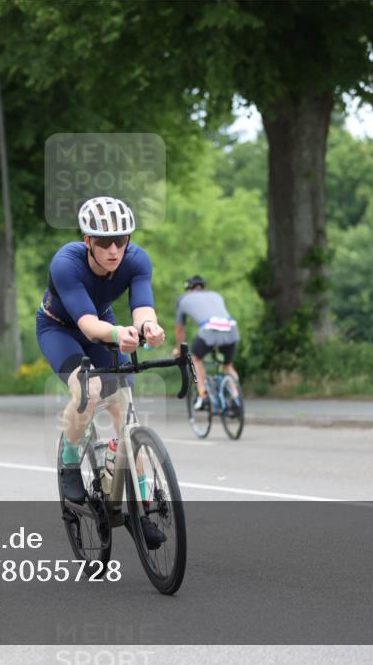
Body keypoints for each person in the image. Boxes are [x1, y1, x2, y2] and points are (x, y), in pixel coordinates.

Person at [36, 196, 167, 548]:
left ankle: (141, 510)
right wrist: (119, 333)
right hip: (61, 329)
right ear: (87, 241)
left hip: (104, 325)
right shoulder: (66, 263)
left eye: (120, 240)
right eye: (105, 242)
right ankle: (69, 461)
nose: (113, 250)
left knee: (125, 413)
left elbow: (142, 306)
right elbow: (88, 324)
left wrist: (149, 327)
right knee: (89, 390)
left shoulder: (137, 259)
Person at [173, 276, 241, 411]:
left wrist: (179, 349)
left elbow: (180, 330)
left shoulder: (182, 299)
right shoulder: (216, 295)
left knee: (195, 358)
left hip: (210, 329)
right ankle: (236, 398)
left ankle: (203, 395)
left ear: (188, 288)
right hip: (231, 327)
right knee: (228, 366)